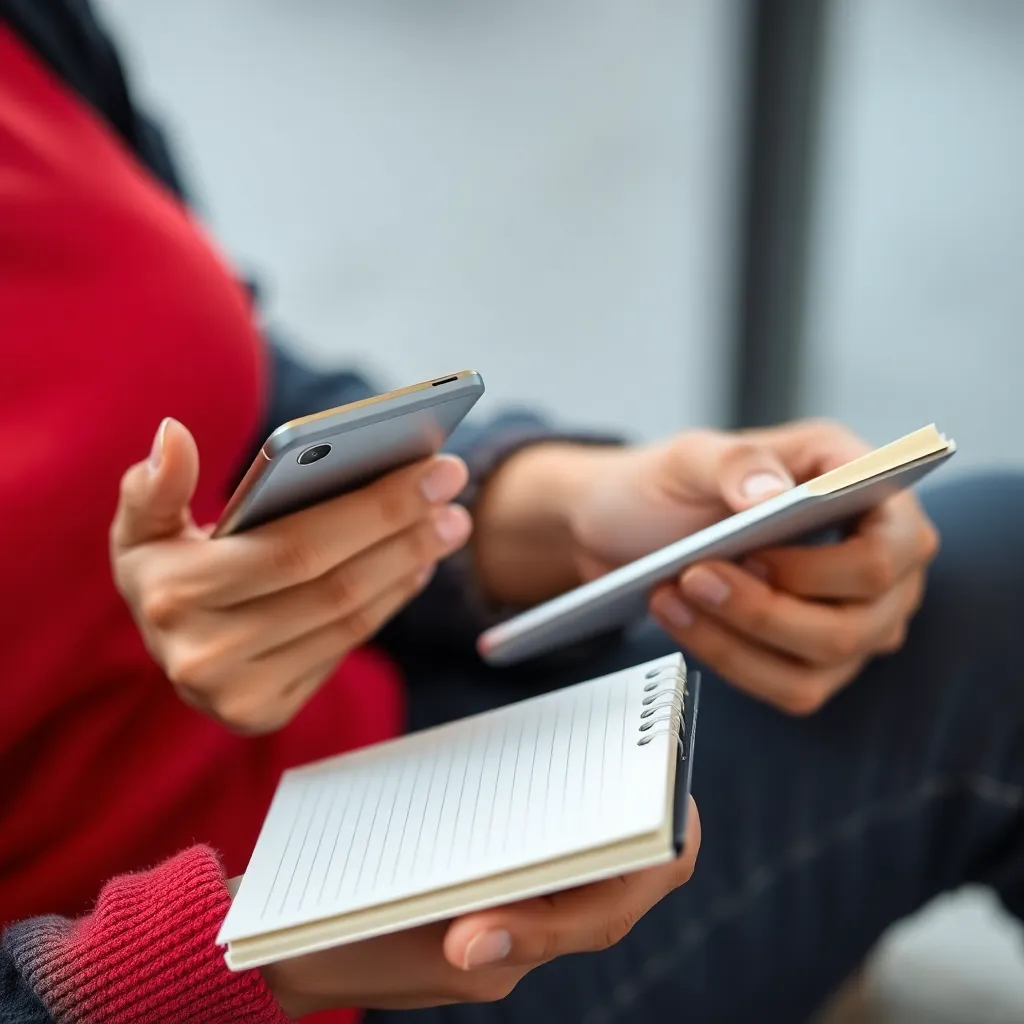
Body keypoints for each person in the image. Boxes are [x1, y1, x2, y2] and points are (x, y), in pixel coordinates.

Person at [1, 2, 1023, 1022]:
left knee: (994, 587)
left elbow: (237, 391)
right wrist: (203, 964)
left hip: (388, 735)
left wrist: (571, 508)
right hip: (245, 967)